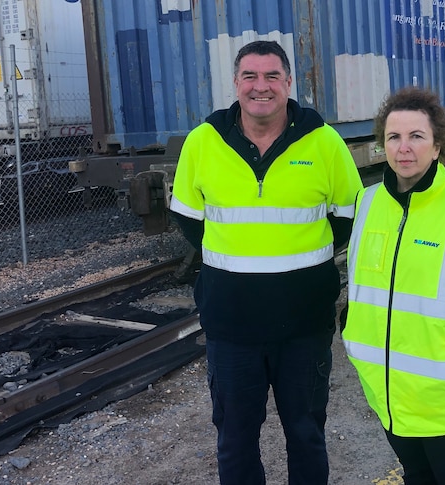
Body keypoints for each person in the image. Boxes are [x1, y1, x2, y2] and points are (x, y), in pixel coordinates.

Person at [169, 40, 363, 484]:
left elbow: (349, 217)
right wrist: (239, 258)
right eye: (250, 77)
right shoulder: (204, 142)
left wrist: (299, 261)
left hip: (303, 325)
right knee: (236, 439)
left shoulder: (323, 141)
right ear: (235, 84)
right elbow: (187, 218)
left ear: (288, 83)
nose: (261, 87)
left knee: (306, 433)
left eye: (272, 76)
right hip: (231, 326)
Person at [341, 86, 445, 485]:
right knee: (417, 478)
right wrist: (349, 326)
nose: (404, 148)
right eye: (394, 137)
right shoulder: (367, 204)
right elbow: (365, 282)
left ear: (438, 147)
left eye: (417, 137)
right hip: (391, 397)